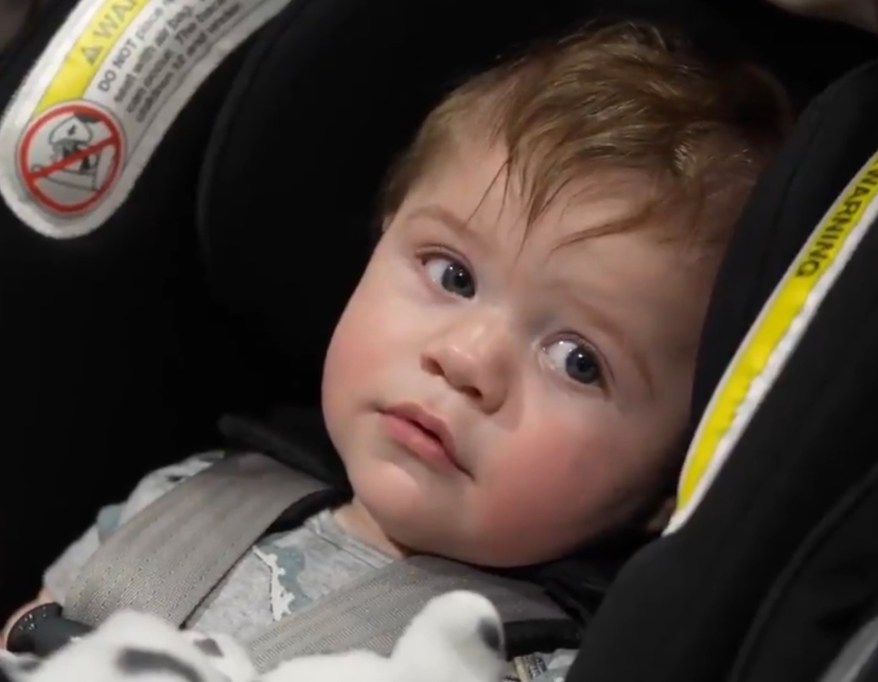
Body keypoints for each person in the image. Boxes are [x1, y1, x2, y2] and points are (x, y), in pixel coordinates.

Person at [2, 17, 792, 681]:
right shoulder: (186, 494)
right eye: (451, 274)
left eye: (578, 360)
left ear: (669, 482)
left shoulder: (539, 664)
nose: (468, 360)